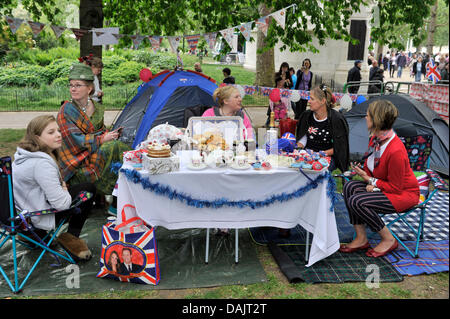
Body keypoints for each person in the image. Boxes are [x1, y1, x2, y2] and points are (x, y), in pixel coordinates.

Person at [340, 100, 419, 258]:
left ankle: (388, 239)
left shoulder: (396, 150)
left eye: (368, 115)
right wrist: (366, 176)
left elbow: (396, 187)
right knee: (349, 188)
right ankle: (361, 238)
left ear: (377, 120)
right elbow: (373, 171)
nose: (365, 118)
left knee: (358, 201)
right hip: (385, 187)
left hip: (404, 194)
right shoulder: (375, 139)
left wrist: (372, 183)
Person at [12, 115, 95, 260]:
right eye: (51, 132)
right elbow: (62, 204)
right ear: (36, 137)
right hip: (38, 216)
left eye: (58, 130)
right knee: (88, 189)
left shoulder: (21, 157)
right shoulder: (41, 164)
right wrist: (63, 188)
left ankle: (35, 236)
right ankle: (71, 239)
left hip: (20, 216)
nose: (58, 135)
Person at [57, 63, 129, 216]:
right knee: (113, 148)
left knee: (121, 149)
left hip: (93, 152)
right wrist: (102, 139)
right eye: (71, 85)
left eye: (78, 85)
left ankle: (119, 199)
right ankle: (117, 200)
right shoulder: (66, 110)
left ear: (89, 89)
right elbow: (76, 140)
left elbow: (100, 130)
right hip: (76, 160)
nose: (73, 89)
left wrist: (109, 134)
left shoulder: (96, 107)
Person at [296, 84, 350, 173]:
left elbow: (340, 146)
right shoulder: (306, 116)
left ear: (323, 101)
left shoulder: (336, 119)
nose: (309, 101)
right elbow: (302, 140)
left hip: (328, 156)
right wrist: (296, 149)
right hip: (307, 154)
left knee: (318, 171)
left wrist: (320, 154)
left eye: (312, 99)